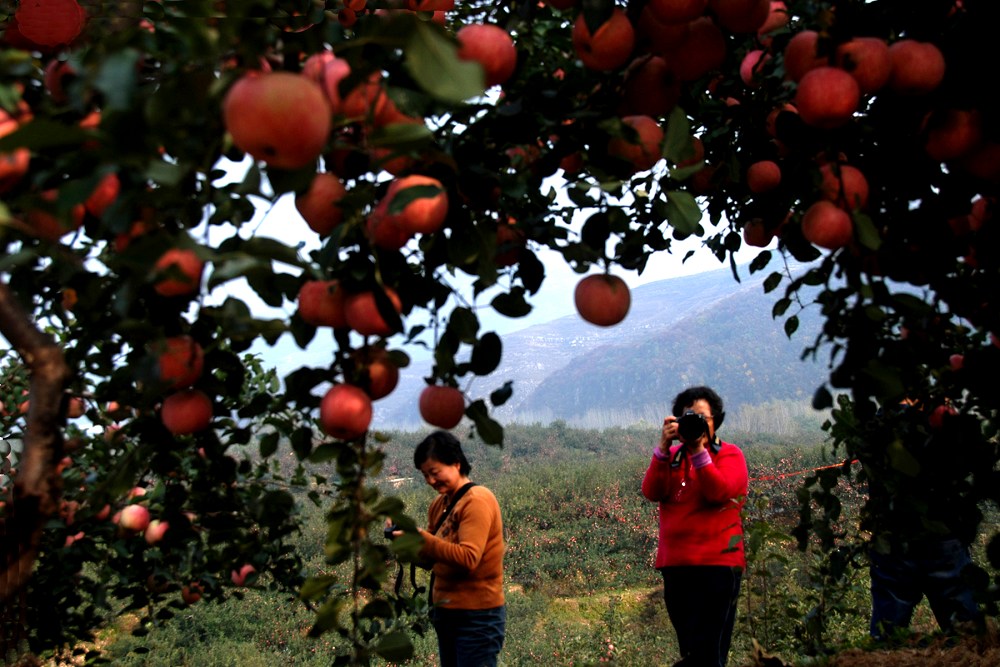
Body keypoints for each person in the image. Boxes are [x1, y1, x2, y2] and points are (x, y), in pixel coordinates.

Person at [859, 398, 985, 643]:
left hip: (893, 542)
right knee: (969, 639)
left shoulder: (875, 427)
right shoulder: (941, 419)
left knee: (887, 638)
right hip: (941, 540)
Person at [641, 386, 748, 667]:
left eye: (702, 417)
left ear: (716, 421)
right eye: (688, 417)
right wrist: (663, 450)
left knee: (706, 651)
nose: (696, 423)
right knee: (691, 649)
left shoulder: (730, 455)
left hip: (718, 565)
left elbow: (718, 491)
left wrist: (699, 451)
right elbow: (652, 491)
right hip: (676, 567)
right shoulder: (672, 458)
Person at [411, 430, 505, 667]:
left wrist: (422, 538)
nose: (430, 481)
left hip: (477, 617)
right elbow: (432, 558)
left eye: (434, 473)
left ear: (456, 463)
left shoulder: (478, 500)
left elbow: (468, 558)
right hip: (446, 614)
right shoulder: (439, 504)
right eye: (425, 475)